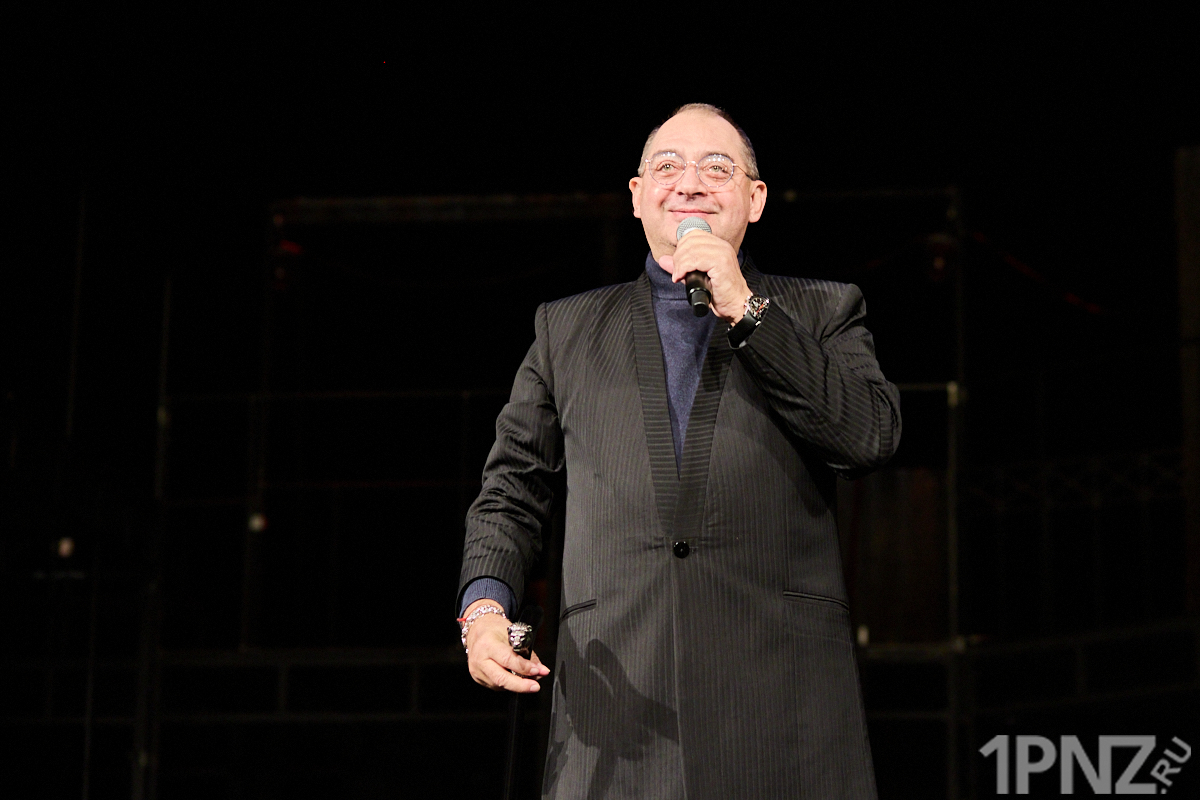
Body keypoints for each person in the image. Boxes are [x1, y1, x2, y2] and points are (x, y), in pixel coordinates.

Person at [456, 103, 901, 799]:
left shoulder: (824, 310)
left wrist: (746, 307)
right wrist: (483, 612)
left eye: (716, 168)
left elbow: (868, 435)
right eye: (668, 166)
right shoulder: (564, 330)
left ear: (755, 199)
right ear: (637, 196)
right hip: (616, 711)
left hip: (782, 712)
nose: (689, 183)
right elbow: (511, 490)